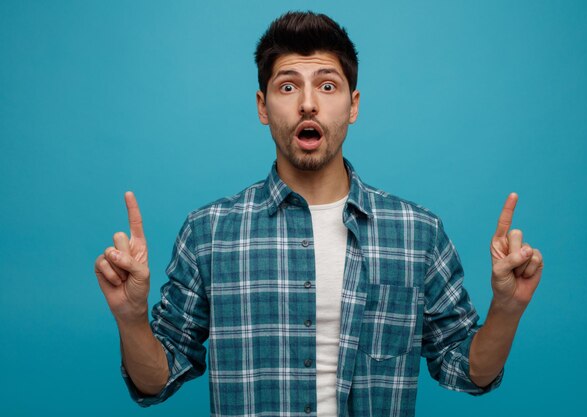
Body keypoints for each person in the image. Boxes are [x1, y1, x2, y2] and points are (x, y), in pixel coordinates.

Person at [94, 11, 544, 417]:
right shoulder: (208, 232)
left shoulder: (416, 233)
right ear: (262, 107)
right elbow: (155, 381)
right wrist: (131, 320)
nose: (308, 103)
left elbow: (467, 371)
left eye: (327, 86)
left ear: (353, 105)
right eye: (287, 86)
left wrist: (506, 309)